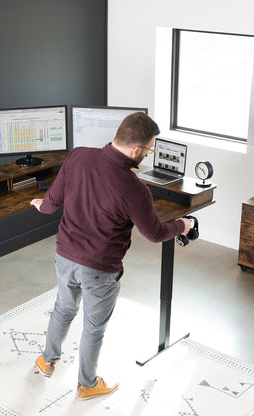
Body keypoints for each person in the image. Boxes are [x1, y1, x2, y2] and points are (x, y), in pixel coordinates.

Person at [30, 112, 192, 401]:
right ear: (136, 150)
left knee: (63, 309)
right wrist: (184, 225)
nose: (147, 154)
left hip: (65, 256)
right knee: (93, 327)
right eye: (149, 149)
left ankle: (47, 360)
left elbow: (51, 203)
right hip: (99, 268)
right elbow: (154, 233)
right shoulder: (135, 188)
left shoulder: (78, 156)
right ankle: (87, 384)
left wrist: (39, 205)